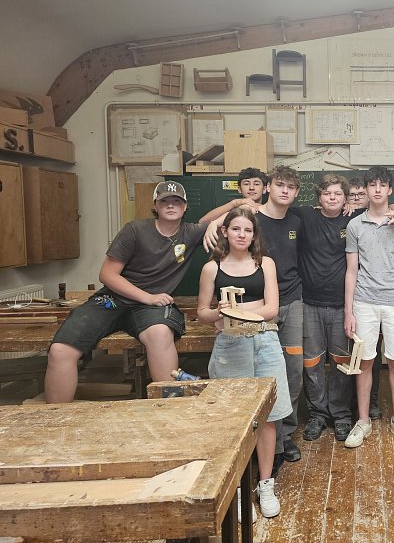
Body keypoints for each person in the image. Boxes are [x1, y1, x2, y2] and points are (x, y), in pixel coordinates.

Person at [45, 181, 213, 403]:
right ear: (155, 205)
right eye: (164, 201)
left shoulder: (190, 233)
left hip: (150, 308)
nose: (171, 205)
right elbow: (107, 274)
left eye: (176, 201)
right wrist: (148, 297)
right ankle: (55, 417)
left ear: (185, 206)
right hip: (113, 300)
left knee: (160, 334)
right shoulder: (135, 230)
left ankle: (171, 410)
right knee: (60, 350)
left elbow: (226, 220)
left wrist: (235, 205)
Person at [202, 165, 304, 466]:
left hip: (290, 302)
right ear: (268, 187)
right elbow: (211, 222)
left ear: (296, 193)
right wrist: (216, 221)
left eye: (291, 187)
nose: (285, 191)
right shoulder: (252, 216)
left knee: (290, 372)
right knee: (245, 384)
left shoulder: (298, 218)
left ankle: (283, 438)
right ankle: (249, 450)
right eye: (279, 185)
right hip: (248, 318)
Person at [197, 207, 292, 519]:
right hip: (230, 345)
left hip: (265, 341)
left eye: (248, 230)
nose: (242, 235)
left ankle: (265, 484)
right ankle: (236, 487)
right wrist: (220, 312)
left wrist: (235, 313)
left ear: (254, 235)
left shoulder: (265, 264)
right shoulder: (212, 268)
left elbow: (272, 309)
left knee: (268, 417)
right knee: (234, 418)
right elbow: (203, 313)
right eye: (236, 229)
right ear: (225, 232)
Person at [298, 175, 394, 443]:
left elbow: (388, 208)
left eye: (338, 193)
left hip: (345, 304)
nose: (332, 198)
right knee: (312, 363)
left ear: (346, 197)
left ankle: (341, 415)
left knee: (344, 363)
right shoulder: (307, 216)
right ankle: (317, 415)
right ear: (318, 196)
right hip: (312, 303)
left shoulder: (354, 218)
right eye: (327, 193)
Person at [343, 166, 394, 448]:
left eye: (382, 184)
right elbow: (351, 271)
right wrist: (348, 311)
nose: (377, 189)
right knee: (365, 362)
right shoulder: (355, 226)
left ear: (390, 189)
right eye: (372, 184)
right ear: (365, 190)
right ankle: (363, 421)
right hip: (364, 301)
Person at [349, 176, 383, 421]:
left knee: (373, 355)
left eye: (360, 194)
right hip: (352, 296)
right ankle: (352, 407)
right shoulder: (349, 220)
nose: (356, 199)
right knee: (354, 355)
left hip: (375, 297)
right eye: (352, 195)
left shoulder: (388, 217)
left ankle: (372, 402)